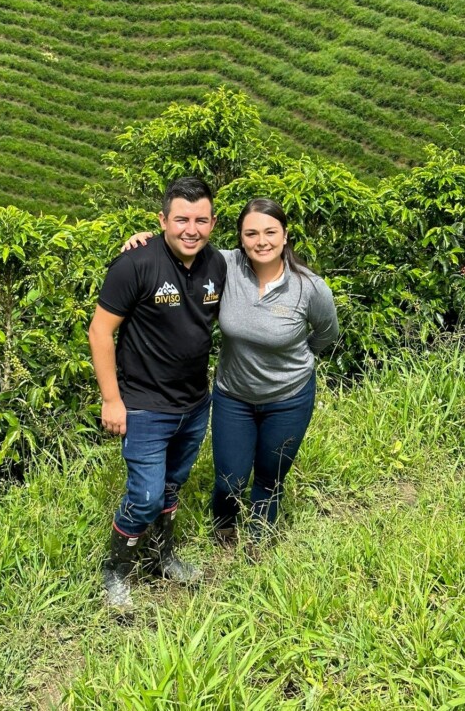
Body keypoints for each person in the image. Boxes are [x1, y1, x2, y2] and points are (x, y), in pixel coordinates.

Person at [124, 197, 338, 545]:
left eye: (270, 232)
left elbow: (327, 333)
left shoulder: (310, 288)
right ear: (240, 238)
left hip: (289, 398)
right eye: (251, 233)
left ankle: (259, 537)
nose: (261, 241)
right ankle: (224, 527)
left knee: (270, 475)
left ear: (285, 236)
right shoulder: (225, 265)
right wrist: (144, 240)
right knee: (229, 478)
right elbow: (184, 245)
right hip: (234, 396)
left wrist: (294, 361)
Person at [88, 176, 226, 614]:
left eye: (201, 220)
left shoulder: (217, 264)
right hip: (145, 405)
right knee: (145, 495)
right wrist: (112, 400)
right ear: (162, 220)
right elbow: (100, 331)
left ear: (213, 223)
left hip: (194, 402)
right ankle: (117, 567)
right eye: (181, 219)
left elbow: (263, 254)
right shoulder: (135, 263)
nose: (191, 229)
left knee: (171, 486)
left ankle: (162, 557)